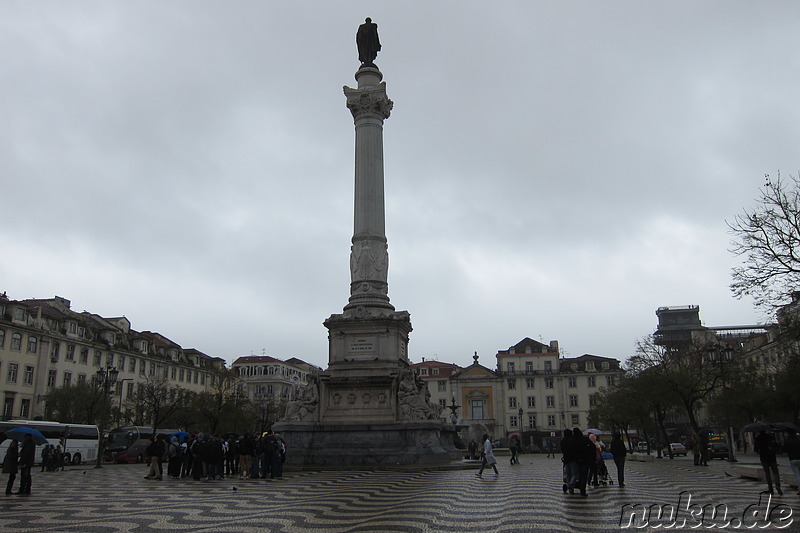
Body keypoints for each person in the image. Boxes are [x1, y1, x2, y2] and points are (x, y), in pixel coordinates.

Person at [754, 429, 782, 495]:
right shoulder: (770, 436)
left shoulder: (758, 438)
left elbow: (755, 449)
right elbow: (776, 446)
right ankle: (777, 485)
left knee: (767, 474)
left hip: (764, 458)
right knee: (775, 472)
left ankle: (771, 489)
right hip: (772, 457)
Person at [574, 428, 594, 497]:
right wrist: (590, 456)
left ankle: (580, 487)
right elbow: (593, 447)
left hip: (578, 460)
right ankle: (583, 489)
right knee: (584, 475)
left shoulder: (574, 441)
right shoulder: (585, 439)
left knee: (580, 474)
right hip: (586, 460)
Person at [783, 430, 800, 496]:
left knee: (797, 474)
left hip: (792, 459)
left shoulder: (787, 441)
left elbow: (784, 450)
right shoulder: (799, 439)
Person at [561, 429, 578, 494]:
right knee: (575, 473)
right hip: (572, 459)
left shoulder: (562, 441)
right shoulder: (573, 440)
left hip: (566, 459)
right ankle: (571, 485)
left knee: (568, 474)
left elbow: (563, 450)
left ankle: (570, 486)